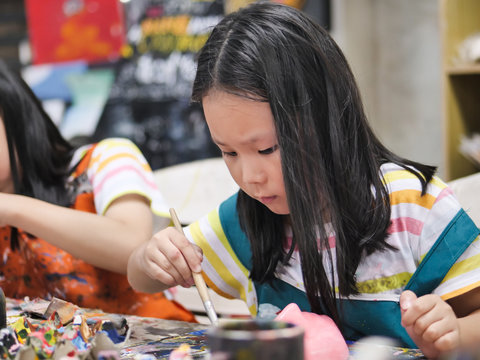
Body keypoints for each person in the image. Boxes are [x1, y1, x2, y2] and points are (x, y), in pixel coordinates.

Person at [127, 2, 480, 357]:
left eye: (266, 149)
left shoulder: (413, 206)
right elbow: (140, 278)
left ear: (326, 120)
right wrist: (150, 259)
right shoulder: (247, 220)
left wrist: (454, 333)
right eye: (229, 153)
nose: (249, 178)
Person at [0, 60, 194, 322]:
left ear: (15, 118)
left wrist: (11, 207)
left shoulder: (106, 158)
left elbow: (133, 246)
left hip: (156, 344)